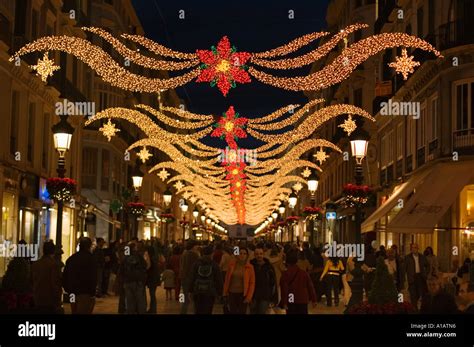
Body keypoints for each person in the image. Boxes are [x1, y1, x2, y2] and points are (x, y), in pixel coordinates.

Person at [63, 237, 97, 314]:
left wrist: (68, 289)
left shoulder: (71, 258)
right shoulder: (91, 259)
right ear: (89, 246)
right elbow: (93, 276)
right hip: (85, 292)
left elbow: (65, 275)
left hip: (72, 293)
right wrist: (92, 292)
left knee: (74, 311)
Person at [189, 245, 223, 314]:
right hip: (210, 292)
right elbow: (219, 280)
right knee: (208, 310)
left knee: (198, 310)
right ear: (212, 254)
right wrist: (219, 293)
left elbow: (192, 277)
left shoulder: (196, 264)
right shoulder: (214, 265)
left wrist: (190, 291)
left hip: (198, 292)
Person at [31, 241, 62, 314]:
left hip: (38, 297)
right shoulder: (53, 265)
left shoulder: (36, 264)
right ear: (53, 251)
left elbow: (31, 280)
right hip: (49, 299)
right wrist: (58, 297)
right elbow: (54, 282)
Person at [223, 247, 255, 314]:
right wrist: (225, 293)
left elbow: (252, 283)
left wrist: (249, 297)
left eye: (244, 253)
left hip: (243, 294)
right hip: (232, 293)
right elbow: (227, 279)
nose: (242, 255)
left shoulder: (250, 267)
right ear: (237, 254)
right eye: (240, 253)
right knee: (232, 311)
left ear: (247, 255)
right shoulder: (232, 265)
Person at [120, 241, 147, 314]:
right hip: (137, 282)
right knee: (140, 301)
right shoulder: (138, 256)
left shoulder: (125, 258)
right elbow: (145, 265)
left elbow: (121, 269)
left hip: (128, 281)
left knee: (129, 301)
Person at [250, 246, 277, 314]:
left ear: (263, 254)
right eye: (257, 254)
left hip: (265, 295)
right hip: (253, 295)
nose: (259, 255)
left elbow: (273, 282)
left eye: (261, 254)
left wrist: (273, 297)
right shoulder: (250, 266)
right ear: (254, 255)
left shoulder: (269, 267)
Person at [403, 243, 429, 309]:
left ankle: (423, 308)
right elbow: (404, 268)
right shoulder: (407, 257)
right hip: (412, 277)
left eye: (415, 247)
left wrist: (426, 273)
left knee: (422, 294)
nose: (414, 249)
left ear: (418, 248)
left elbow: (428, 265)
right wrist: (404, 279)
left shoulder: (422, 257)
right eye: (413, 248)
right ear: (411, 249)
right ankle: (414, 309)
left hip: (420, 277)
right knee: (413, 294)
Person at [180, 240, 200, 314]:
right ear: (193, 246)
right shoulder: (194, 255)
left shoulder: (184, 254)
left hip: (184, 278)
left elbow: (182, 266)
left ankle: (182, 312)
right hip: (192, 279)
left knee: (184, 298)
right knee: (195, 298)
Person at [145, 246, 161, 313]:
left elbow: (148, 267)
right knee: (152, 294)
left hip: (152, 278)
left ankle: (153, 309)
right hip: (155, 277)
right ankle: (152, 309)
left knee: (152, 294)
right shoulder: (155, 257)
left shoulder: (150, 258)